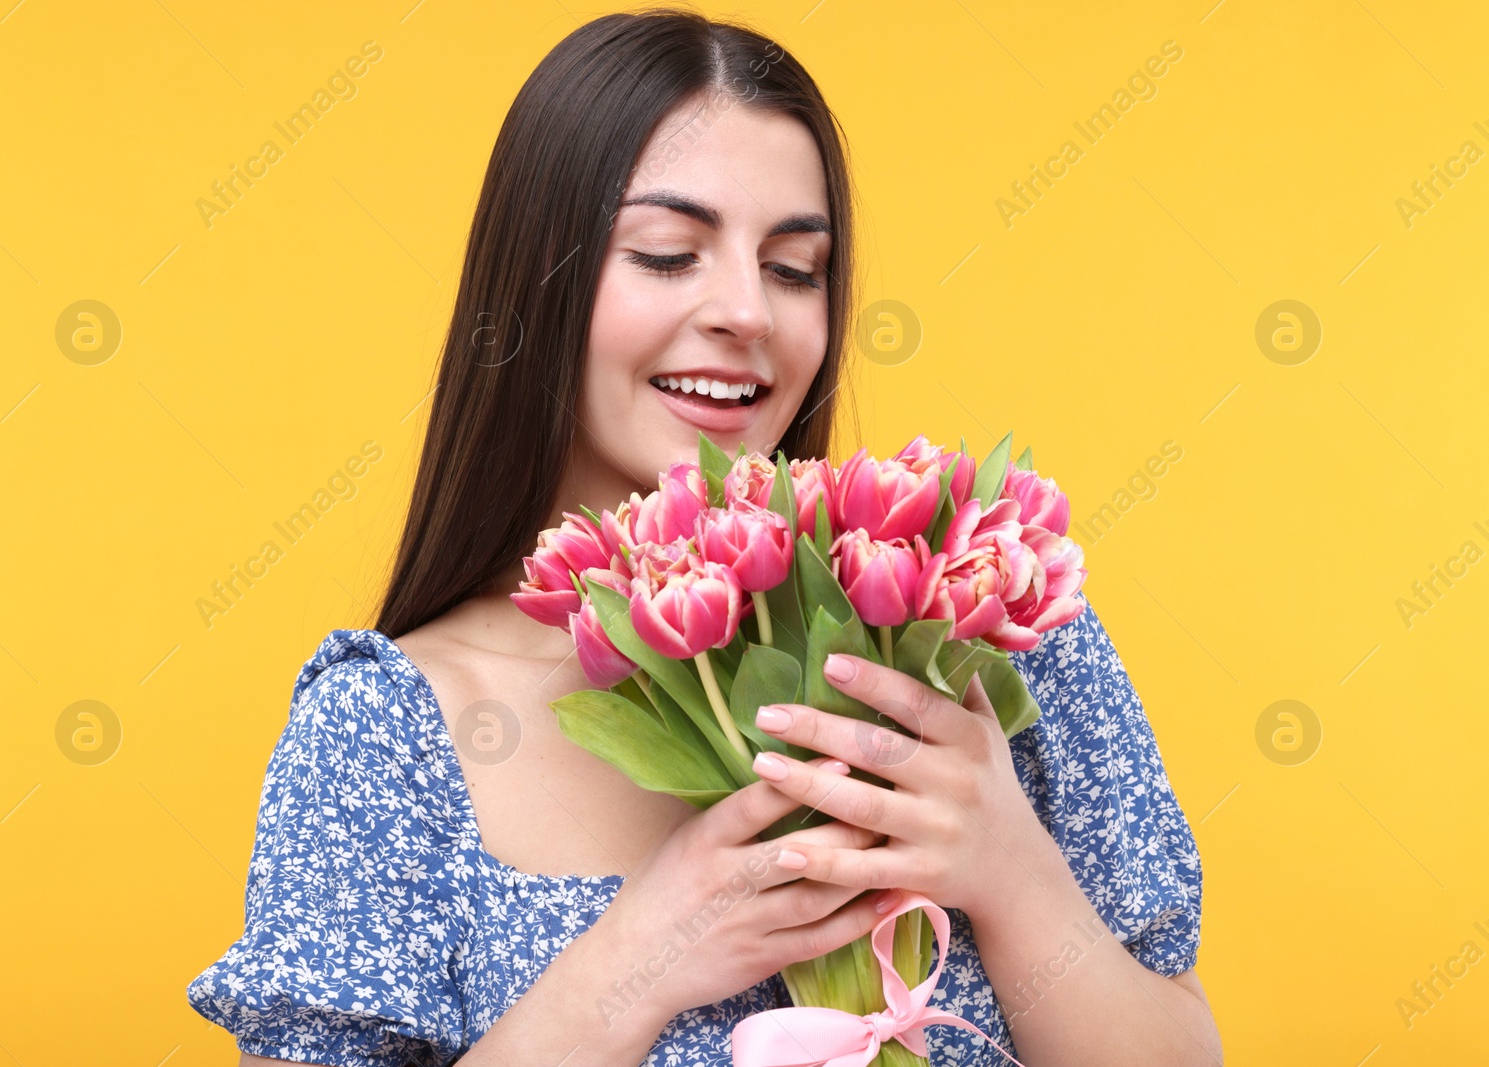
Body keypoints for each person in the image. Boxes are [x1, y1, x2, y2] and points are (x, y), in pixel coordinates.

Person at [186, 8, 1222, 1065]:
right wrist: (637, 955)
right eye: (670, 253)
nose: (747, 311)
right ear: (533, 287)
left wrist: (1010, 870)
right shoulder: (387, 727)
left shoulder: (978, 623)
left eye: (794, 268)